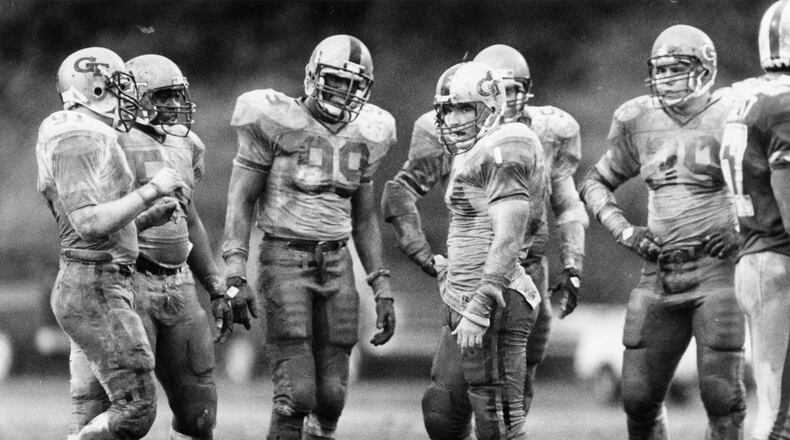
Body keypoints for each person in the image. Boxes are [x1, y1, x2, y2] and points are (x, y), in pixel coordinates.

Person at [381, 44, 587, 415]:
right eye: (494, 89)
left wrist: (573, 264)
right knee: (446, 403)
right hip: (469, 274)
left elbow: (568, 203)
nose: (505, 99)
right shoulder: (449, 124)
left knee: (512, 393)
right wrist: (426, 257)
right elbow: (399, 192)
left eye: (512, 89)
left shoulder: (549, 131)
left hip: (527, 272)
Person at [220, 34, 397, 440]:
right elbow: (241, 198)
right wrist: (234, 269)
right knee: (297, 392)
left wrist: (381, 283)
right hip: (284, 257)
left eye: (354, 85)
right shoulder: (274, 120)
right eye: (335, 80)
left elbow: (365, 216)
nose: (344, 92)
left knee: (332, 396)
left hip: (338, 262)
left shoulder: (370, 131)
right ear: (313, 76)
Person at [579, 25, 745, 439]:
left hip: (717, 270)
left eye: (678, 68)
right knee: (636, 397)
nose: (667, 77)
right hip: (660, 273)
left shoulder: (735, 113)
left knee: (721, 395)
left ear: (706, 69)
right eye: (662, 69)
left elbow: (774, 181)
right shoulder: (638, 119)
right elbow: (594, 182)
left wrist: (742, 226)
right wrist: (625, 232)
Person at [35, 47, 186, 439]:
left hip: (96, 280)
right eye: (119, 86)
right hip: (93, 283)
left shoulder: (89, 134)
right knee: (135, 409)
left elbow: (101, 219)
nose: (129, 97)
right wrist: (152, 190)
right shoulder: (78, 136)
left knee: (95, 409)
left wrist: (146, 217)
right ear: (95, 89)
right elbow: (87, 223)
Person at [119, 54, 248, 440]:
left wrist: (215, 287)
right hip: (130, 279)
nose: (176, 105)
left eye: (179, 95)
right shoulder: (112, 140)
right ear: (137, 98)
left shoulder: (187, 144)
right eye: (165, 96)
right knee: (130, 410)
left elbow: (189, 221)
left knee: (200, 414)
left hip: (179, 283)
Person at [417, 60, 547, 440]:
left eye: (465, 108)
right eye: (448, 109)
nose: (455, 119)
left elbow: (510, 235)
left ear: (490, 106)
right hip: (462, 294)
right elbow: (474, 225)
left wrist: (482, 301)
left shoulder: (506, 146)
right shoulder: (471, 151)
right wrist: (454, 267)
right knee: (441, 410)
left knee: (499, 421)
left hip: (497, 299)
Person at [721, 2, 790, 438]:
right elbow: (787, 197)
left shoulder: (745, 96)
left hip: (756, 257)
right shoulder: (783, 103)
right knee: (777, 414)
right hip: (777, 258)